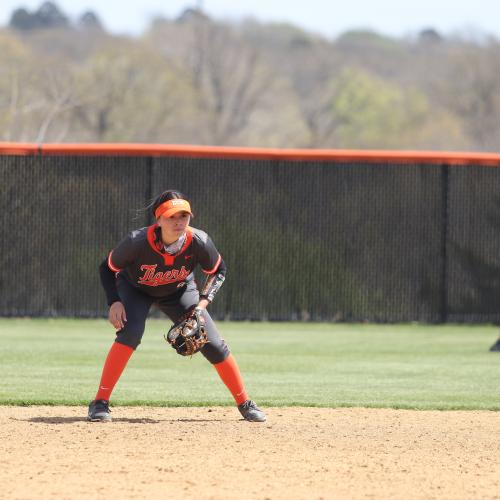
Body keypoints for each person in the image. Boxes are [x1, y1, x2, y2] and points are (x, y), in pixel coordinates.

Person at [88, 189, 266, 423]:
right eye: (171, 216)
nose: (178, 221)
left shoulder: (199, 241)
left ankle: (245, 402)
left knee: (212, 343)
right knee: (130, 333)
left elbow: (218, 271)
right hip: (136, 289)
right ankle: (99, 402)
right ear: (158, 219)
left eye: (184, 215)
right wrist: (115, 301)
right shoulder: (136, 242)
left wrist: (201, 306)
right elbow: (107, 267)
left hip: (179, 291)